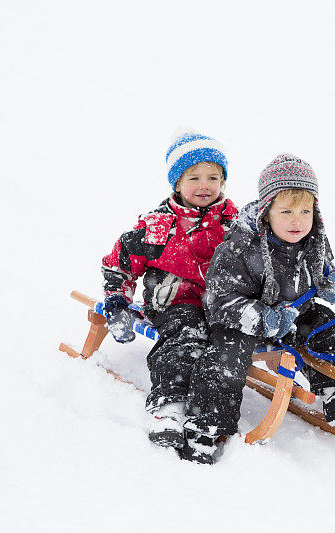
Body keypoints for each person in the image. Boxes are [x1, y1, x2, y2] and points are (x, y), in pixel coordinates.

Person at [183, 153, 335, 464]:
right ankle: (208, 423)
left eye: (305, 211)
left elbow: (326, 272)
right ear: (266, 212)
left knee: (327, 326)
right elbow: (219, 299)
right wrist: (260, 317)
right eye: (287, 211)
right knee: (224, 359)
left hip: (293, 315)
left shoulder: (315, 240)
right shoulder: (240, 246)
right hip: (242, 322)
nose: (297, 220)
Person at [100, 131, 238, 451]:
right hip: (174, 300)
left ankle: (212, 405)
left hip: (222, 303)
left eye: (213, 177)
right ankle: (168, 404)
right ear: (177, 183)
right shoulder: (158, 226)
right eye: (194, 177)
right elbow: (120, 263)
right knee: (187, 329)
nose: (205, 184)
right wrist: (118, 300)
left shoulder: (236, 223)